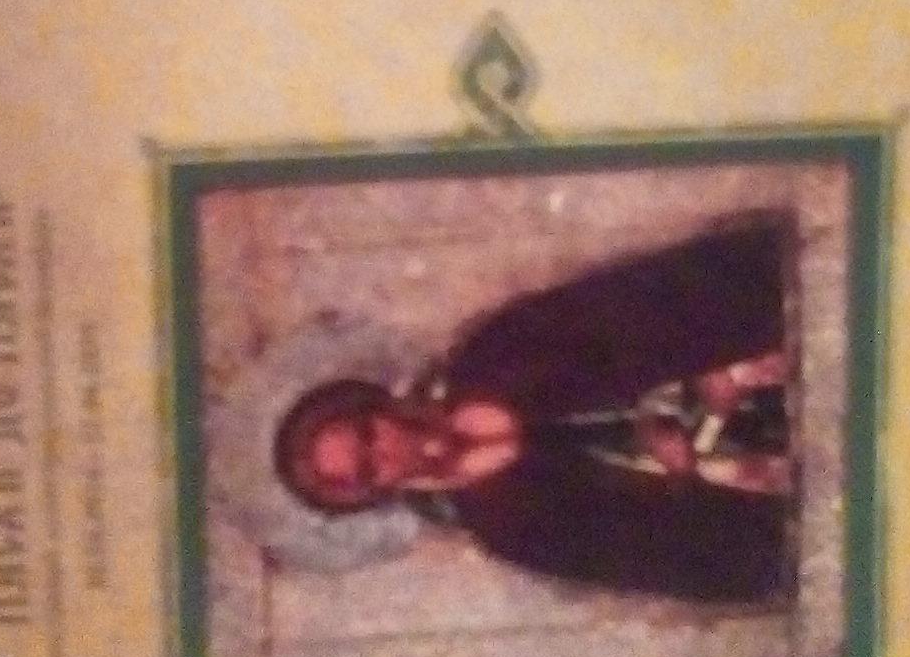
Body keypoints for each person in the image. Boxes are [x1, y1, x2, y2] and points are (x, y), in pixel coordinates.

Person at [272, 214, 797, 605]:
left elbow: (657, 300)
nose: (386, 451)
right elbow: (680, 559)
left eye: (367, 435)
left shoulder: (497, 351)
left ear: (375, 407)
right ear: (376, 491)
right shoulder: (507, 528)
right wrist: (687, 475)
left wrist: (729, 367)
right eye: (368, 470)